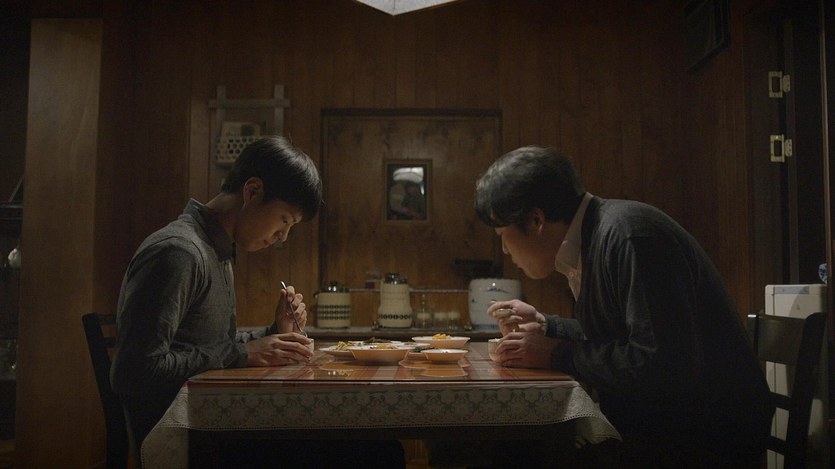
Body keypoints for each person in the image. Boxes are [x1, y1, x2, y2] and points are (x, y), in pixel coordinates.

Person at [110, 136, 404, 468]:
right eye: (284, 220)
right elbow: (133, 372)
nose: (282, 237)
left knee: (376, 445)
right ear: (252, 191)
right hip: (187, 439)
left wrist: (274, 332)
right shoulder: (179, 251)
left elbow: (204, 344)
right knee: (379, 453)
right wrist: (243, 353)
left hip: (213, 424)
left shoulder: (216, 251)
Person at [476, 145, 774, 468]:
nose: (504, 249)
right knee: (514, 450)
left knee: (520, 452)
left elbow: (660, 364)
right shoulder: (596, 234)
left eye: (502, 234)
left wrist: (557, 354)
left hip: (706, 435)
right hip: (667, 425)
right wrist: (548, 326)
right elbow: (622, 336)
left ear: (537, 220)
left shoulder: (630, 236)